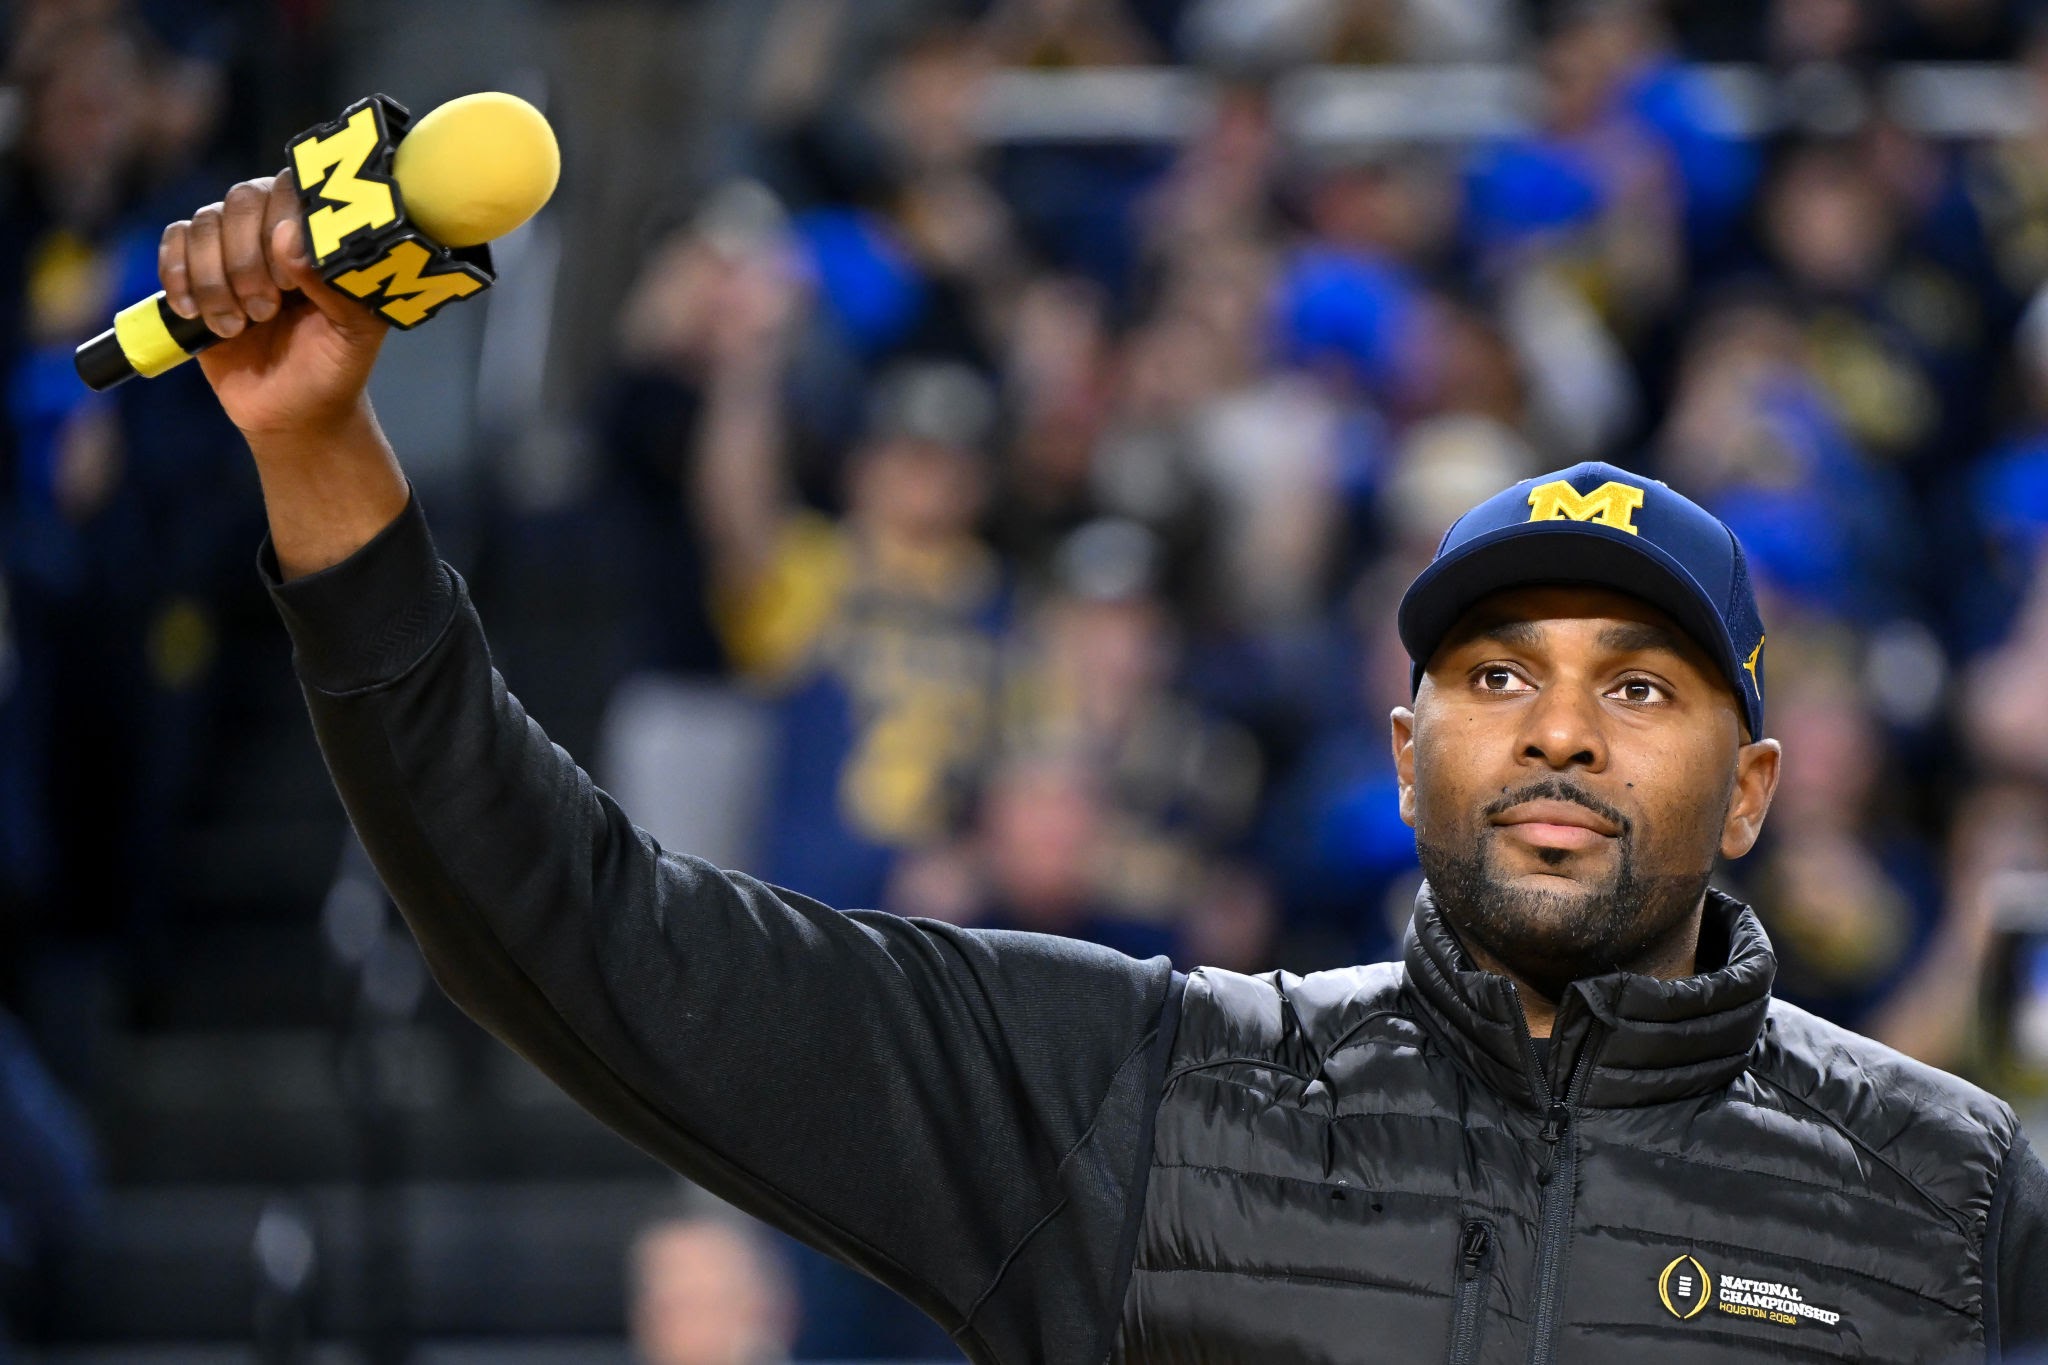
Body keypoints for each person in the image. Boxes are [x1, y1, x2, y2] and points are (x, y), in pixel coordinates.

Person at [163, 175, 2048, 1361]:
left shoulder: (1958, 1199)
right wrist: (323, 456)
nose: (1559, 726)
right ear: (1408, 756)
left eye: (1638, 686)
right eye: (1497, 673)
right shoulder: (1147, 1094)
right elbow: (584, 936)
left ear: (1753, 788)